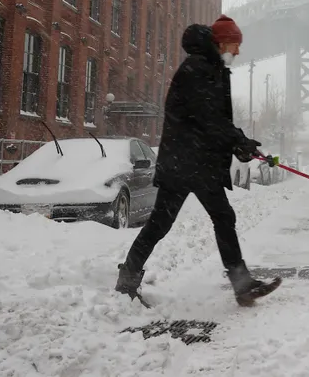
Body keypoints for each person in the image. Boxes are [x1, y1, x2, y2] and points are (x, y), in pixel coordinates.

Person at [115, 15, 281, 306]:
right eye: (234, 44)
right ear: (219, 43)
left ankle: (242, 286)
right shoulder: (198, 69)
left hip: (197, 162)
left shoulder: (211, 68)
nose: (237, 52)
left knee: (221, 218)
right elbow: (209, 118)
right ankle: (126, 281)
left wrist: (239, 144)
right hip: (186, 163)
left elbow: (213, 121)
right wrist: (237, 140)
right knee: (161, 224)